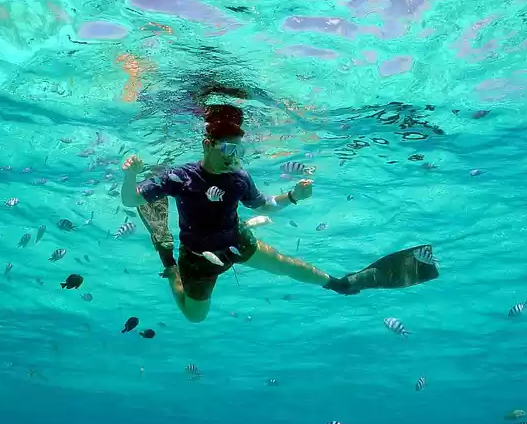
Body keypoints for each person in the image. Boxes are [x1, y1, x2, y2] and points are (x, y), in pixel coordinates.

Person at [120, 104, 438, 323]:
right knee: (195, 317)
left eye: (239, 151)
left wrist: (293, 196)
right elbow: (133, 202)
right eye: (228, 150)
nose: (235, 158)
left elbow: (263, 206)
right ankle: (168, 264)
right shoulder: (181, 177)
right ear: (208, 144)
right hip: (197, 255)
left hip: (236, 240)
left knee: (286, 266)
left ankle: (340, 284)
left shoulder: (238, 178)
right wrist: (131, 176)